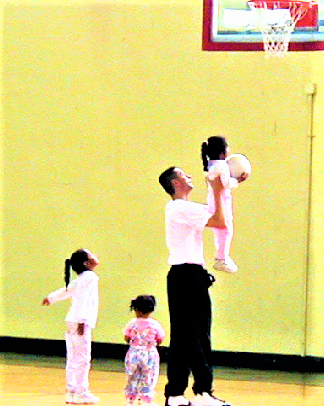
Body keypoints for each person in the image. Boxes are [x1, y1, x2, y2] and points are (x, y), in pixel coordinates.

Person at [158, 167, 232, 406]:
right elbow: (220, 221)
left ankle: (176, 393)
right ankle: (203, 392)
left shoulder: (184, 208)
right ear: (175, 183)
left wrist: (229, 185)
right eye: (183, 174)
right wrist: (219, 189)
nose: (189, 176)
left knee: (184, 336)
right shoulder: (180, 208)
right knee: (197, 334)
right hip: (187, 275)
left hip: (186, 275)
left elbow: (217, 212)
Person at [42, 248, 100, 405]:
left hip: (72, 320)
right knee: (83, 359)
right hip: (80, 322)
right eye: (91, 254)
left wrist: (51, 298)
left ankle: (71, 391)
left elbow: (66, 291)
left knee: (73, 357)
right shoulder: (90, 277)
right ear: (87, 262)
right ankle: (81, 392)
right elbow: (84, 301)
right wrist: (82, 320)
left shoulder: (82, 278)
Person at [201, 136, 247, 273]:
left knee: (220, 230)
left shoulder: (211, 164)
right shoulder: (222, 165)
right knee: (227, 229)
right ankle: (222, 257)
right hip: (221, 199)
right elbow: (226, 183)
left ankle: (222, 255)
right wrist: (238, 180)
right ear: (223, 152)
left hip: (213, 199)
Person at [124, 295, 165, 406]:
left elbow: (127, 337)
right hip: (150, 353)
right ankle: (144, 399)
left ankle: (130, 399)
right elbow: (160, 338)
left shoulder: (131, 324)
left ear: (136, 309)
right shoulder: (155, 324)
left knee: (132, 376)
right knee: (149, 376)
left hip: (133, 353)